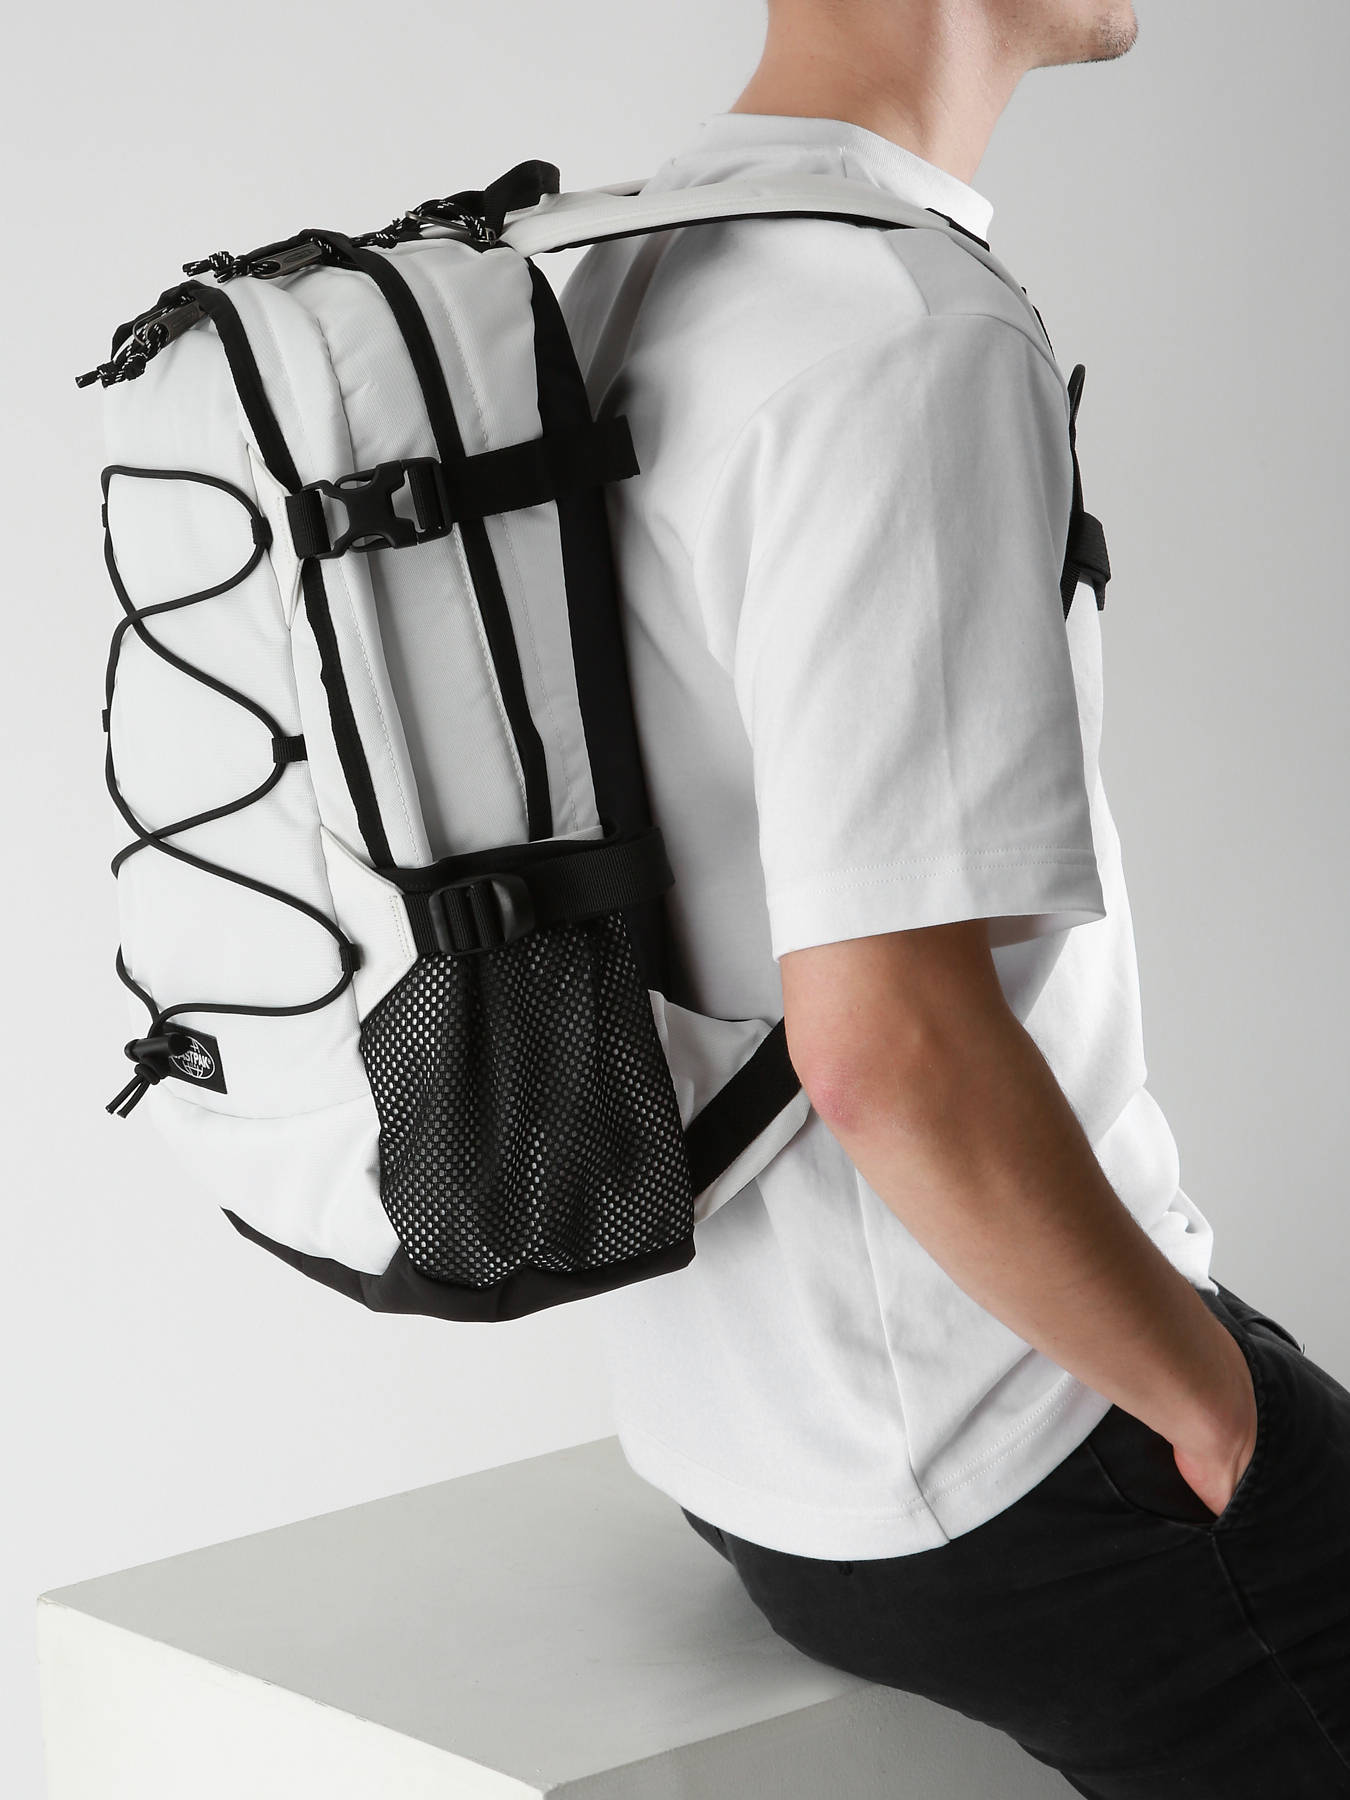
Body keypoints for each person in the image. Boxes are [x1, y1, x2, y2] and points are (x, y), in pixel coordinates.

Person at [557, 2, 1350, 1792]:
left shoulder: (616, 273)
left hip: (751, 1431)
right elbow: (889, 1053)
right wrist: (1204, 1410)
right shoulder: (899, 329)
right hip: (1003, 1442)